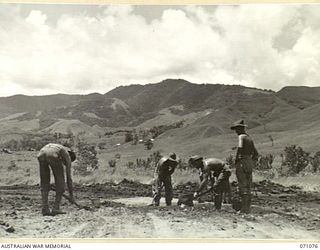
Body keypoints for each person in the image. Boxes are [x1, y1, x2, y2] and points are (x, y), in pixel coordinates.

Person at [37, 143, 76, 216]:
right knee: (61, 183)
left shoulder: (59, 148)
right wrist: (71, 195)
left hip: (41, 153)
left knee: (44, 183)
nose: (64, 164)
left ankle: (45, 208)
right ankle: (56, 207)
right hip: (52, 155)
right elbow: (68, 178)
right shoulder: (67, 155)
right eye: (64, 163)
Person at [230, 119, 259, 214]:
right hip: (249, 162)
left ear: (239, 129)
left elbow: (240, 148)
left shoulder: (241, 137)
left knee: (242, 185)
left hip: (242, 161)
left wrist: (237, 160)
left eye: (236, 129)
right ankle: (248, 208)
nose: (236, 131)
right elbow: (256, 153)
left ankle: (244, 209)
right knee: (248, 185)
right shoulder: (249, 138)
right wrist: (251, 162)